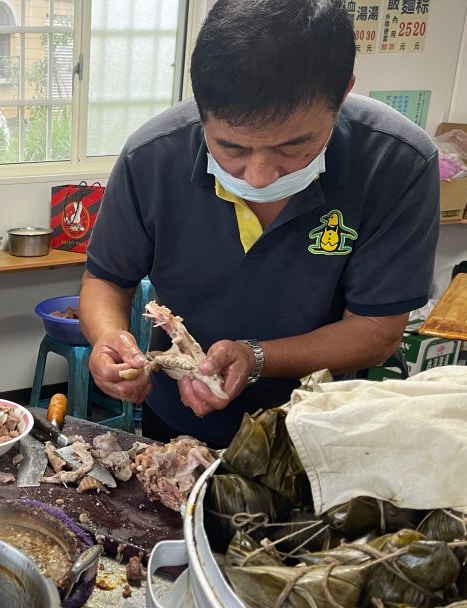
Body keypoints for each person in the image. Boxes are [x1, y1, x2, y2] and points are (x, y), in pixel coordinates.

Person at [80, 0, 439, 448]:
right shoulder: (153, 156)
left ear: (342, 93)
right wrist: (110, 341)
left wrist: (257, 357)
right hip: (178, 423)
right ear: (201, 105)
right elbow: (106, 280)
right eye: (232, 148)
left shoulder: (397, 162)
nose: (259, 176)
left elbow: (376, 330)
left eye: (293, 148)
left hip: (318, 428)